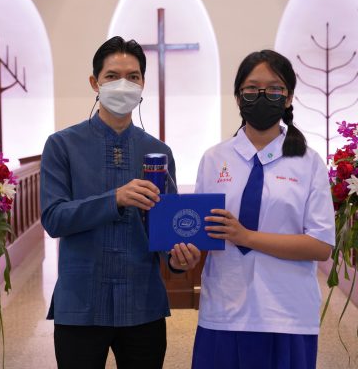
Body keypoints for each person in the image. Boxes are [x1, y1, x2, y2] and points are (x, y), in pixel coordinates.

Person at [40, 36, 200, 369]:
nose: (123, 84)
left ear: (142, 84)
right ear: (94, 82)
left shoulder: (158, 152)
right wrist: (114, 199)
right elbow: (54, 218)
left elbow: (166, 230)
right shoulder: (62, 145)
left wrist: (178, 259)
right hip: (81, 302)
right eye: (112, 76)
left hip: (142, 303)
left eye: (133, 76)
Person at [191, 50, 335, 369]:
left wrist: (247, 237)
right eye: (252, 88)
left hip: (287, 313)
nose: (262, 96)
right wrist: (181, 254)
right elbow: (201, 233)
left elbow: (321, 245)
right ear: (238, 97)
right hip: (223, 310)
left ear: (288, 98)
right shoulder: (214, 159)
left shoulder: (308, 162)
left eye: (274, 89)